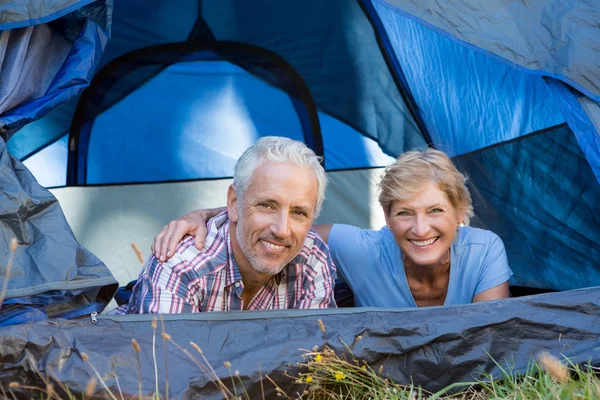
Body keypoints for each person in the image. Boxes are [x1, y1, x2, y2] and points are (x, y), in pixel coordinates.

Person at [153, 148, 512, 308]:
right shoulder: (360, 248)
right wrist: (209, 215)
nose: (420, 228)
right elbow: (289, 230)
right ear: (386, 219)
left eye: (435, 210)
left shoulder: (484, 251)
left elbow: (494, 347)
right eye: (404, 213)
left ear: (459, 212)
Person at [117, 137, 336, 314]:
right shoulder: (180, 265)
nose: (281, 230)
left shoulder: (312, 258)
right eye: (267, 205)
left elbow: (314, 360)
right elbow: (168, 363)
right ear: (234, 203)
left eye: (298, 212)